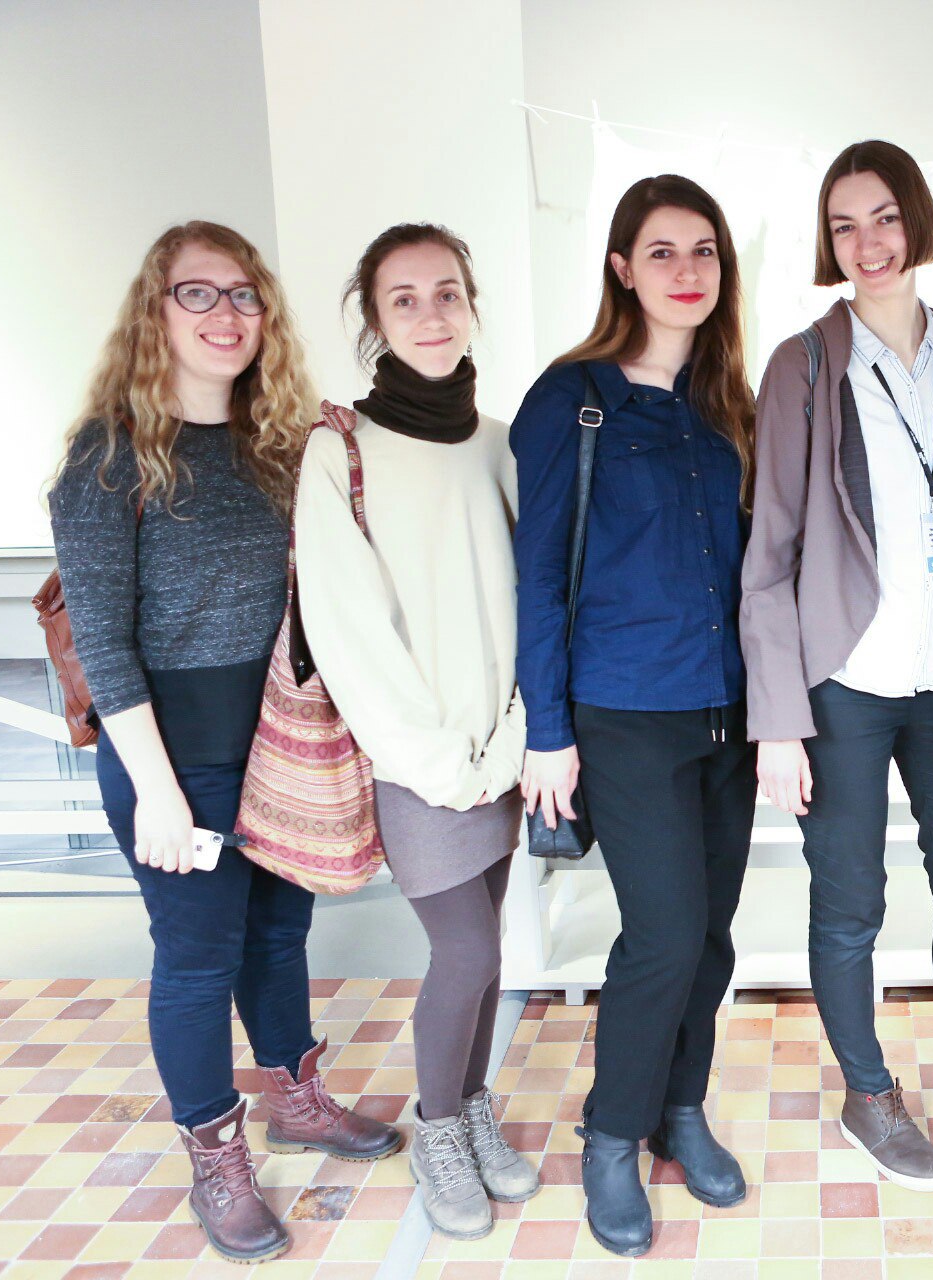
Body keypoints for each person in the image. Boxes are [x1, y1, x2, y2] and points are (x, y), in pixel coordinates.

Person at [49, 221, 399, 1265]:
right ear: (154, 312)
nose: (226, 314)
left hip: (282, 739)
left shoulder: (282, 444)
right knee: (198, 961)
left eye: (244, 294)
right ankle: (215, 1155)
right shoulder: (110, 456)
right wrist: (157, 790)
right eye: (197, 293)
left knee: (279, 938)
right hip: (176, 755)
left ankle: (295, 1096)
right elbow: (103, 640)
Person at [739, 140, 933, 1193]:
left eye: (885, 217)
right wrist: (777, 719)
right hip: (845, 679)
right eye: (845, 224)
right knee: (851, 900)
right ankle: (868, 1091)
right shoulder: (805, 364)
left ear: (917, 222)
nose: (868, 242)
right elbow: (769, 549)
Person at [512, 175, 757, 1258]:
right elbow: (536, 574)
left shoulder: (729, 402)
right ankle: (611, 1134)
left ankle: (681, 1108)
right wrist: (547, 729)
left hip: (726, 711)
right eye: (661, 251)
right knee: (661, 934)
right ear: (621, 267)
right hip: (620, 711)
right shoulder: (572, 398)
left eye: (703, 250)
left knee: (710, 933)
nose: (686, 270)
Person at [293, 223, 537, 1240]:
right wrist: (441, 762)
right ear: (374, 320)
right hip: (419, 761)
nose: (431, 314)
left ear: (472, 306)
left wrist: (512, 741)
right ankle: (438, 1127)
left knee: (488, 949)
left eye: (447, 293)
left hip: (506, 751)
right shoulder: (340, 449)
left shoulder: (502, 442)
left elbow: (536, 603)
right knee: (466, 949)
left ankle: (472, 1110)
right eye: (405, 298)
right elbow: (347, 632)